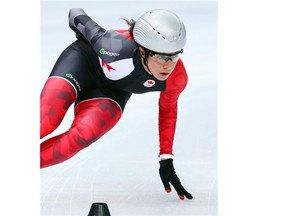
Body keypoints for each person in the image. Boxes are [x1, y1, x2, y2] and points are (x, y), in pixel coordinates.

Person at [40, 8, 193, 200]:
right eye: (161, 57)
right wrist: (84, 37)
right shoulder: (113, 46)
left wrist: (166, 158)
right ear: (143, 51)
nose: (168, 65)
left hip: (110, 92)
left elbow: (168, 111)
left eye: (174, 56)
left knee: (81, 137)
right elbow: (75, 14)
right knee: (44, 122)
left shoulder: (177, 77)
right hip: (79, 65)